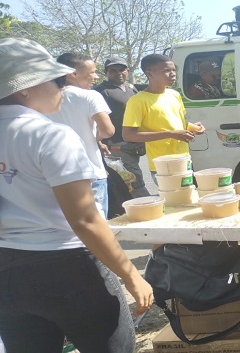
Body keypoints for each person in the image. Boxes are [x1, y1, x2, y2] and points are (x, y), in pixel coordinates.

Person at [0, 38, 152, 352]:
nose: (64, 87)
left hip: (7, 271)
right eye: (57, 80)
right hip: (68, 265)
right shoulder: (49, 135)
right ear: (23, 88)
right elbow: (84, 220)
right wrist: (131, 275)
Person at [48, 52, 114, 219]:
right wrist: (95, 138)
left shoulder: (45, 97)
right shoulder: (90, 96)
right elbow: (108, 130)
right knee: (96, 225)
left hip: (56, 176)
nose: (95, 77)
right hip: (91, 173)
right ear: (73, 73)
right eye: (92, 72)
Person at [122, 54, 205, 180]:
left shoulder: (174, 95)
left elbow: (177, 124)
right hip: (162, 165)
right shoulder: (137, 101)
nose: (173, 74)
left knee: (188, 193)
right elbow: (128, 135)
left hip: (184, 160)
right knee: (175, 194)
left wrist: (193, 128)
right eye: (166, 70)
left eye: (173, 70)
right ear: (149, 74)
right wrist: (170, 134)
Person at [95, 57, 151, 197]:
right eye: (113, 70)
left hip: (135, 143)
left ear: (128, 71)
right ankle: (147, 205)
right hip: (116, 145)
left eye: (122, 69)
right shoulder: (101, 92)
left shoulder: (131, 88)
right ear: (106, 73)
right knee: (134, 181)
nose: (118, 73)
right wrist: (100, 142)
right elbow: (94, 120)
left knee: (128, 181)